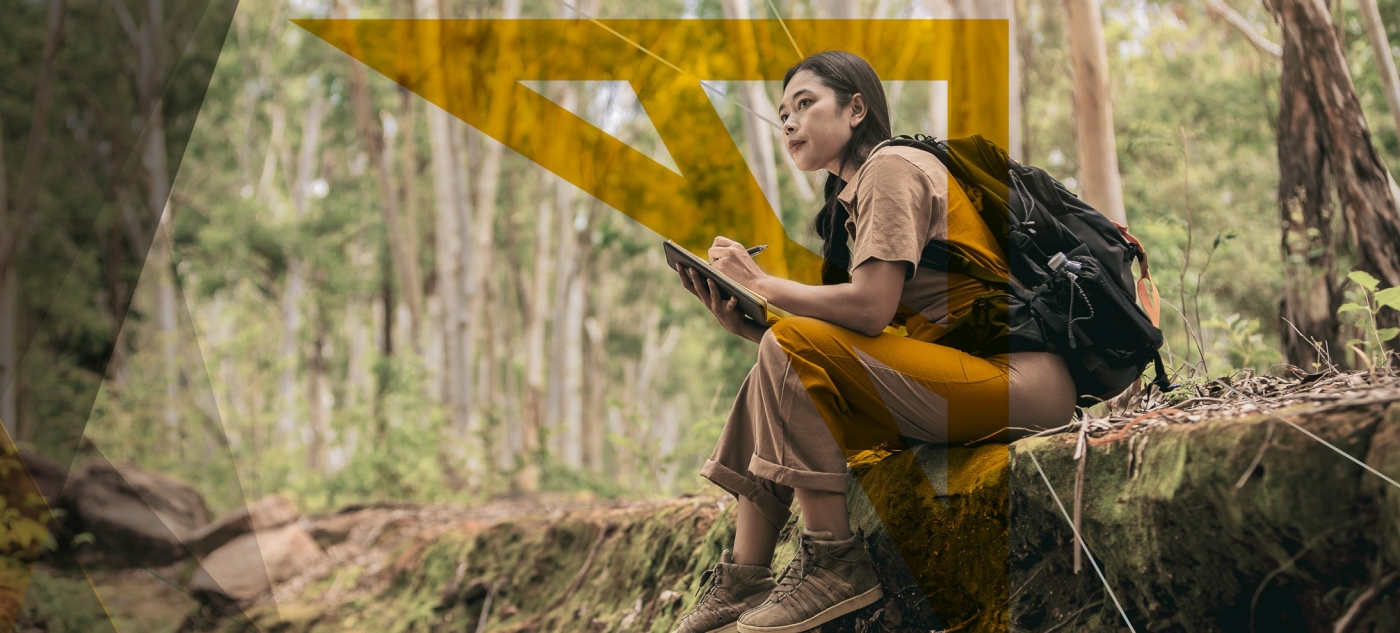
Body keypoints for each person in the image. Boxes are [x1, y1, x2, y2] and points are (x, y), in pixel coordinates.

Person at [670, 51, 1078, 633]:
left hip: (1021, 382)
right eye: (782, 113)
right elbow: (864, 341)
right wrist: (752, 323)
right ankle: (743, 578)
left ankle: (834, 561)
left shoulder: (891, 169)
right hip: (961, 374)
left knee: (788, 346)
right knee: (776, 352)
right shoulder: (853, 198)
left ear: (856, 108)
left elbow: (869, 307)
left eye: (804, 104)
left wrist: (762, 284)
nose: (788, 123)